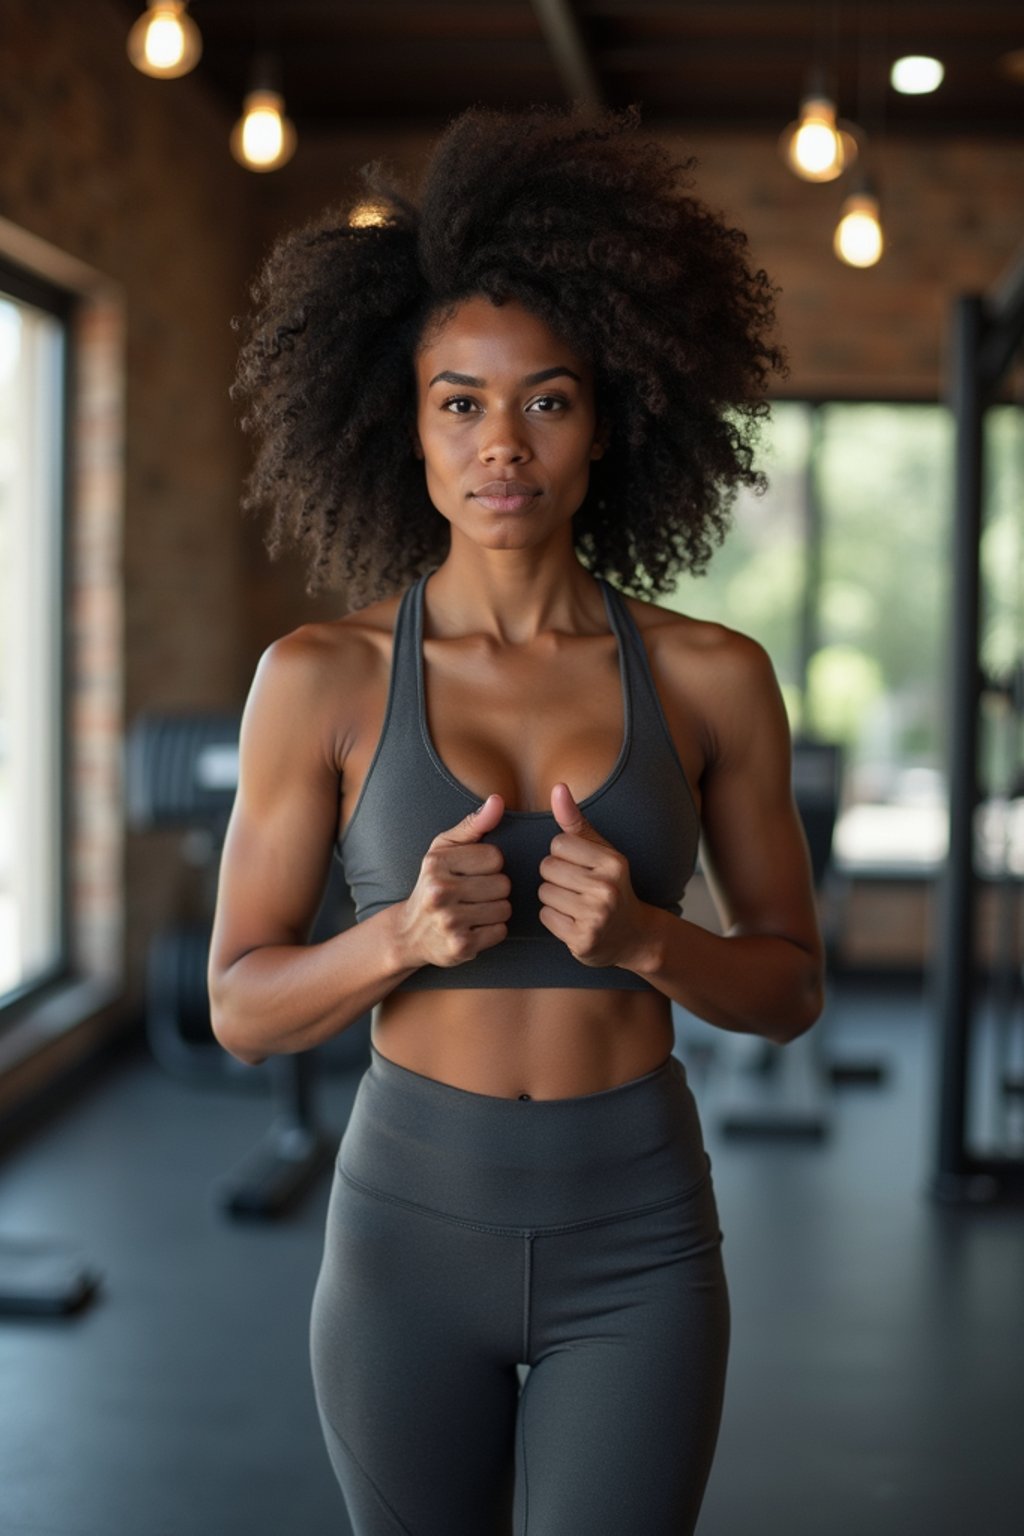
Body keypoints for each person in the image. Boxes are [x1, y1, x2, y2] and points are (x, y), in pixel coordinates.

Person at [209, 102, 825, 1536]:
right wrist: (400, 939)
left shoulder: (711, 675)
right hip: (405, 1235)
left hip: (642, 1236)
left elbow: (790, 987)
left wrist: (653, 940)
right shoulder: (320, 680)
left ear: (607, 422)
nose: (504, 445)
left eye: (547, 399)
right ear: (403, 425)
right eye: (460, 403)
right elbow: (242, 1007)